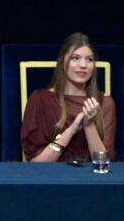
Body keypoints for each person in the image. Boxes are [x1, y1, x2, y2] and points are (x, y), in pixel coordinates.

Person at [20, 32, 116, 162]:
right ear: (62, 61)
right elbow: (37, 163)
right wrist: (71, 131)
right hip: (50, 173)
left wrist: (89, 126)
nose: (83, 65)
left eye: (89, 59)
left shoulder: (104, 102)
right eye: (75, 58)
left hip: (89, 174)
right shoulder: (40, 99)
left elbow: (103, 162)